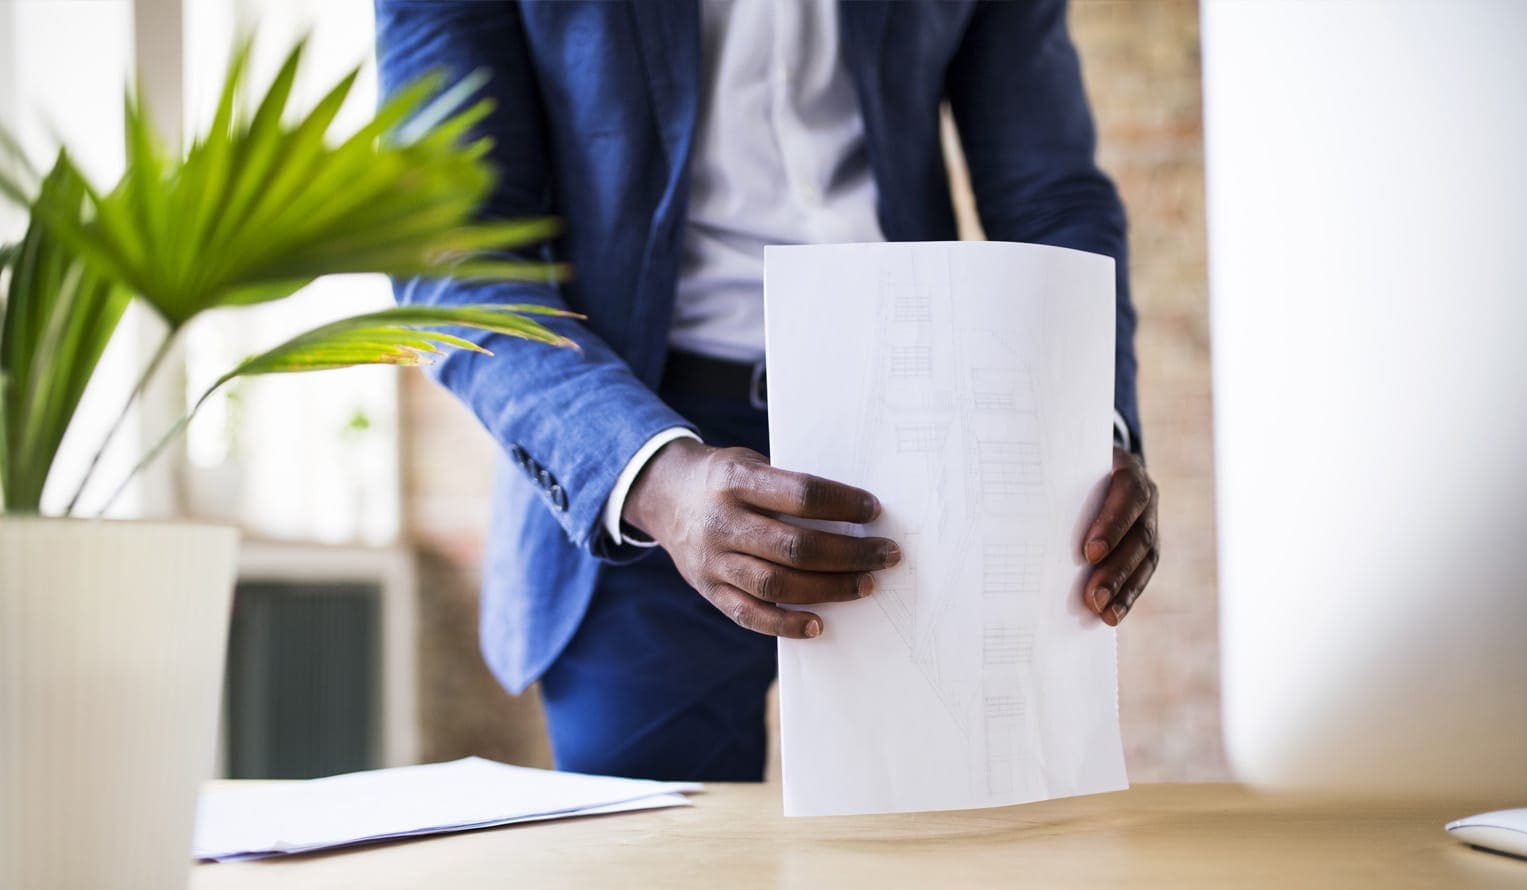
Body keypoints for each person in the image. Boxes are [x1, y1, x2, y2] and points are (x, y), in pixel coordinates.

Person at [374, 0, 1160, 782]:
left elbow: (1051, 195)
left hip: (923, 425)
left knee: (945, 850)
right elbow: (451, 254)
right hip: (643, 451)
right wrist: (647, 474)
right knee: (667, 858)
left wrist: (1089, 424)